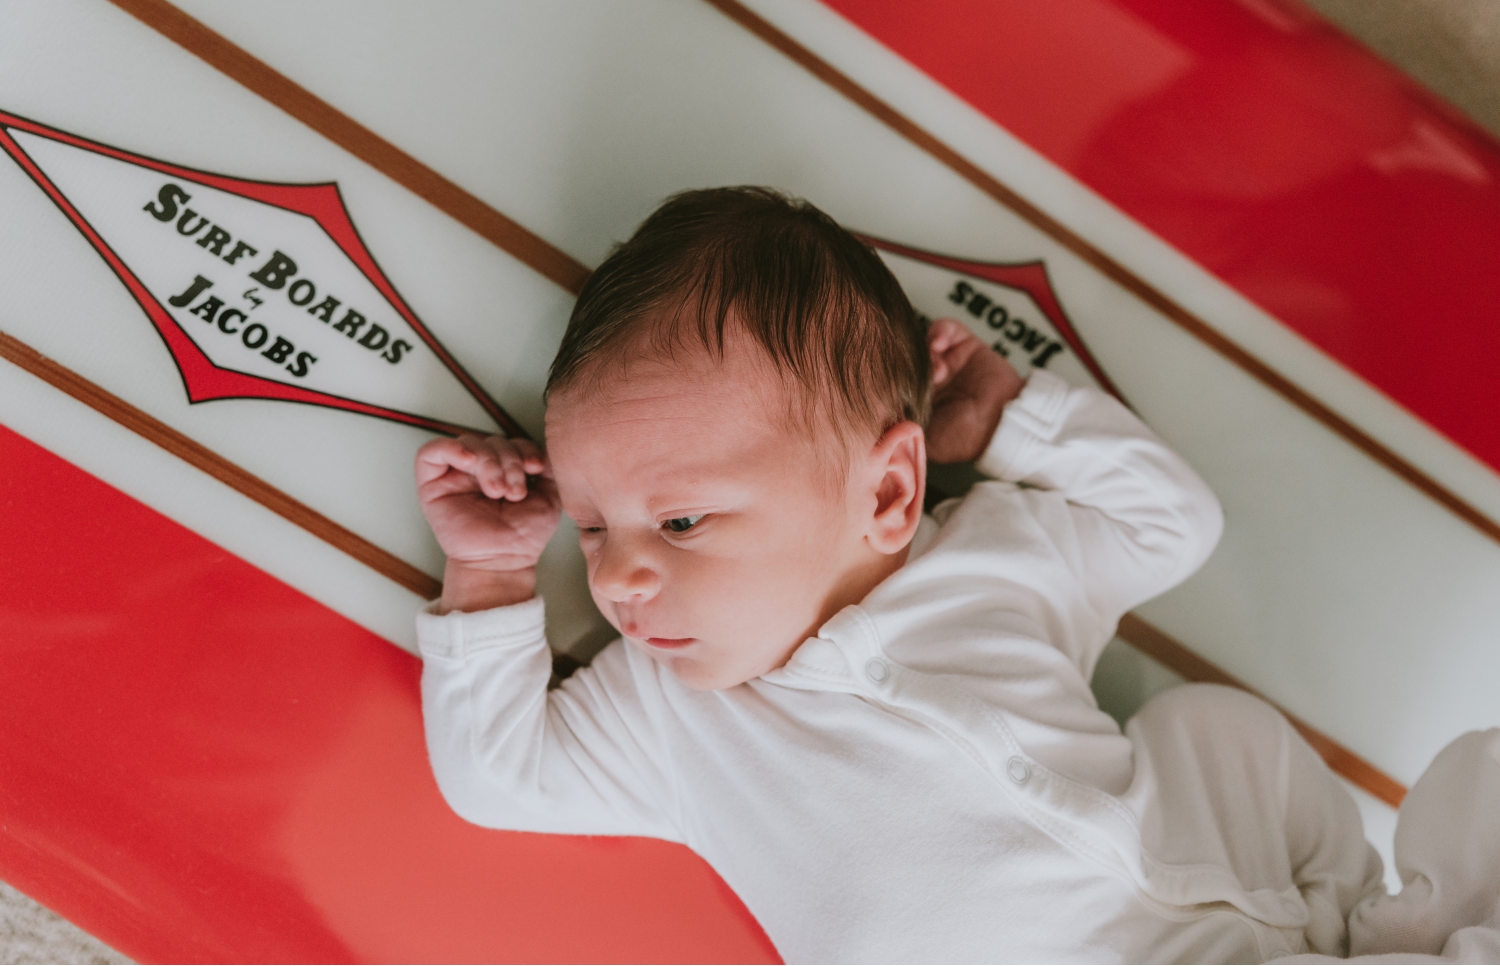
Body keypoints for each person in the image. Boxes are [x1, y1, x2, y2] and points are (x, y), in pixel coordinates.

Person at [413, 187, 1500, 963]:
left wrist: (1013, 420)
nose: (621, 579)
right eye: (593, 528)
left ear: (889, 494)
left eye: (682, 519)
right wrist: (493, 572)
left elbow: (1173, 523)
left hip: (1277, 920)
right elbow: (501, 773)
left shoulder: (994, 554)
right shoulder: (674, 716)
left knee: (1370, 768)